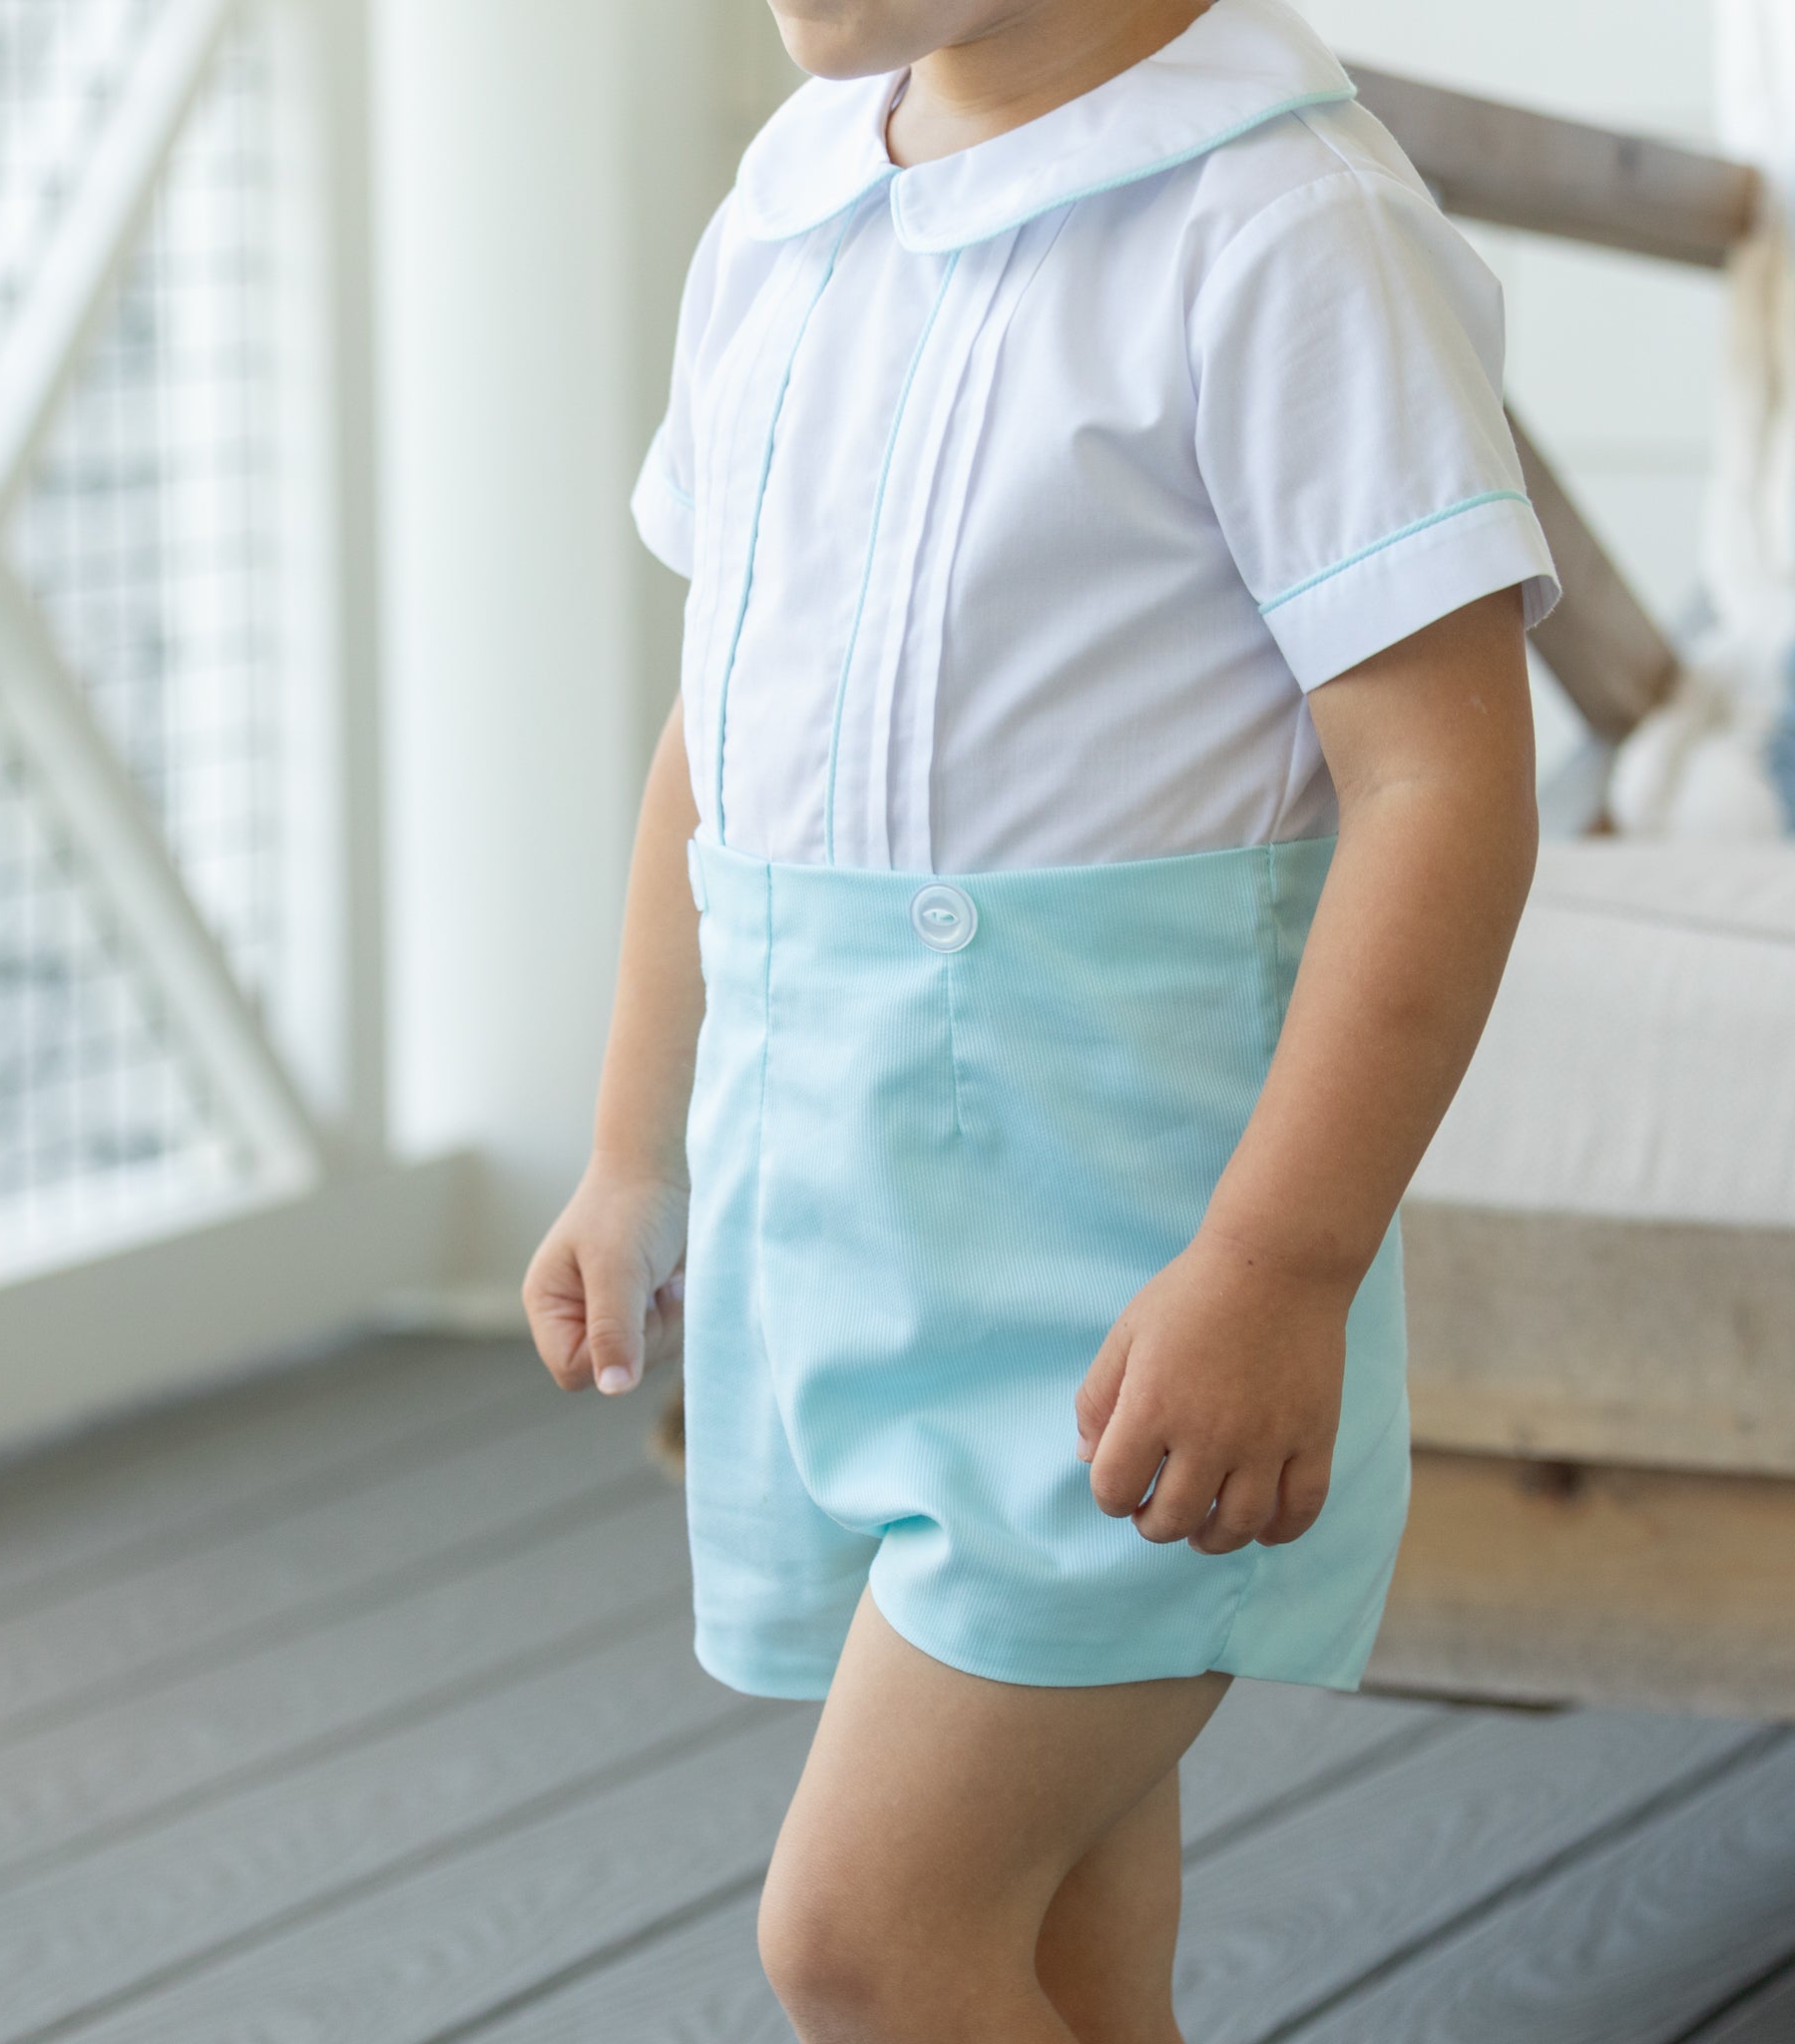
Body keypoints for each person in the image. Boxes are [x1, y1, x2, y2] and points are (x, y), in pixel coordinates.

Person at [524, 0, 1559, 2035]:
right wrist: (635, 1148)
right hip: (837, 1250)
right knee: (1061, 1946)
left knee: (864, 1932)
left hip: (1132, 1286)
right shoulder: (788, 212)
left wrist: (1278, 1267)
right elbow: (713, 744)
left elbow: (1442, 791)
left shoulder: (1279, 226)